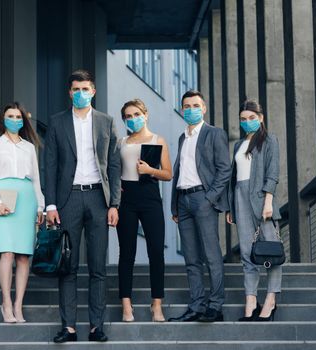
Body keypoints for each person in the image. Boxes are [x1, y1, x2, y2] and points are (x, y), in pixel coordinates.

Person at [45, 69, 121, 343]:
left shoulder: (106, 122)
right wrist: (50, 205)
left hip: (98, 201)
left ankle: (95, 327)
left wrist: (114, 203)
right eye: (75, 89)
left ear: (93, 91)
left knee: (98, 267)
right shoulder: (57, 122)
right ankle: (69, 328)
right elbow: (50, 165)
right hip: (68, 200)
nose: (80, 93)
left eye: (85, 89)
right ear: (69, 92)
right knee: (68, 267)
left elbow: (113, 165)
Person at [168, 90, 231, 323]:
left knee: (212, 255)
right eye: (186, 106)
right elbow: (180, 172)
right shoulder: (182, 137)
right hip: (183, 201)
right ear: (182, 109)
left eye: (196, 105)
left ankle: (215, 306)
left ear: (203, 108)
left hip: (203, 199)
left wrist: (209, 198)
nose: (191, 109)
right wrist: (175, 205)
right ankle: (196, 306)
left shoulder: (214, 134)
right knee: (191, 258)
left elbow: (225, 169)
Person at [0, 102, 45, 323]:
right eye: (10, 116)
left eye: (18, 117)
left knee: (23, 257)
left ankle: (18, 305)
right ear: (3, 119)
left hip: (27, 198)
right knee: (6, 252)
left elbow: (36, 179)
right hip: (3, 197)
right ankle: (6, 303)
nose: (15, 120)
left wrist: (40, 206)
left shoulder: (29, 147)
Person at [226, 99, 282, 322]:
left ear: (260, 118)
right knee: (248, 253)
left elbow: (273, 172)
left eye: (251, 118)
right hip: (240, 199)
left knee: (271, 252)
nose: (247, 122)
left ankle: (270, 299)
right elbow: (233, 178)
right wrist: (232, 206)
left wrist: (268, 201)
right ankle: (251, 301)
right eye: (243, 119)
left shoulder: (269, 140)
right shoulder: (238, 145)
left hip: (261, 199)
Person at [116, 99, 172, 323]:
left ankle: (156, 304)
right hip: (126, 198)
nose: (132, 119)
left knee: (156, 251)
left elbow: (168, 174)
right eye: (128, 116)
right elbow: (113, 169)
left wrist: (151, 170)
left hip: (150, 196)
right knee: (126, 253)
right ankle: (126, 305)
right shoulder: (120, 142)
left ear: (145, 114)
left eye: (136, 114)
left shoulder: (158, 140)